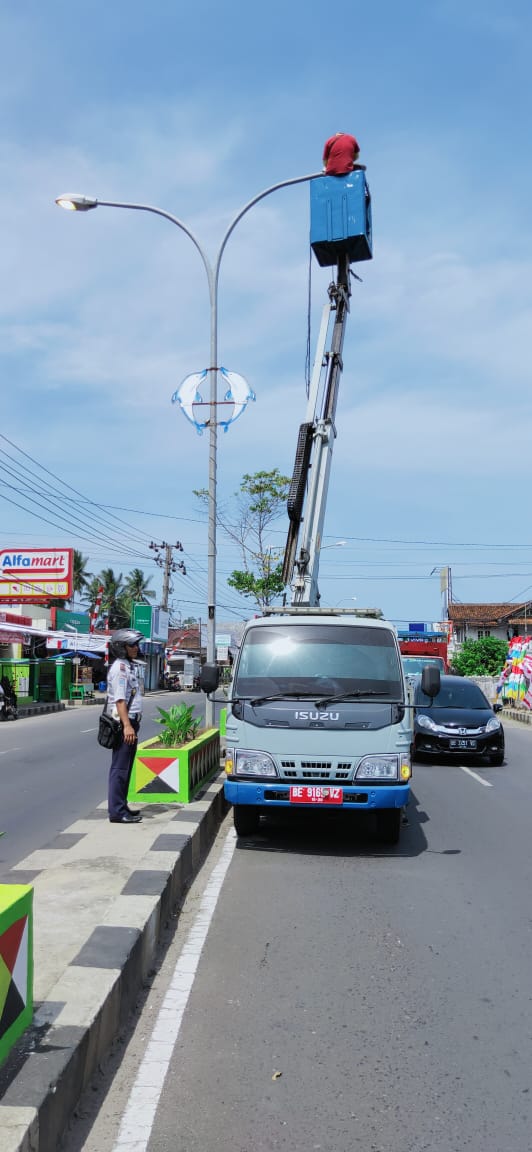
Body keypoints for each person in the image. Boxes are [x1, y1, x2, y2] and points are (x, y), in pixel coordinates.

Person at [106, 628, 145, 824]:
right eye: (132, 645)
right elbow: (120, 700)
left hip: (130, 722)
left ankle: (122, 806)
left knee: (126, 768)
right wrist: (127, 726)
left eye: (137, 644)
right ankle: (117, 812)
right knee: (120, 769)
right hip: (124, 724)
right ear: (121, 647)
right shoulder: (120, 669)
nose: (136, 648)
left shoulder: (128, 666)